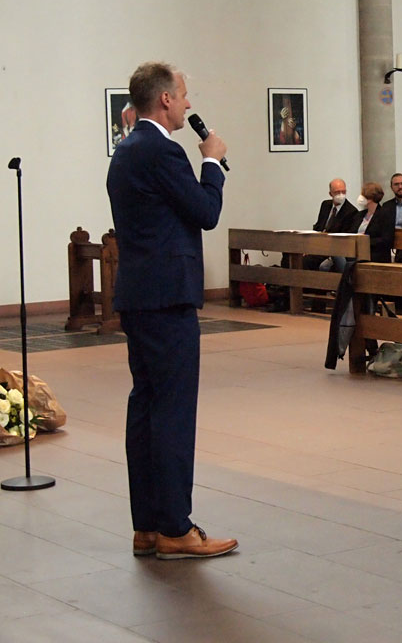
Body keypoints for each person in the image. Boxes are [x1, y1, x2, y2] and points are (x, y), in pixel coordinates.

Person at [106, 61, 237, 559]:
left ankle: (147, 525)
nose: (187, 103)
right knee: (173, 413)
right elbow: (205, 213)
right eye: (183, 95)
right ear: (164, 99)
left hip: (140, 295)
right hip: (167, 299)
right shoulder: (162, 150)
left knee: (146, 407)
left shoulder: (128, 148)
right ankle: (176, 529)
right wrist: (212, 163)